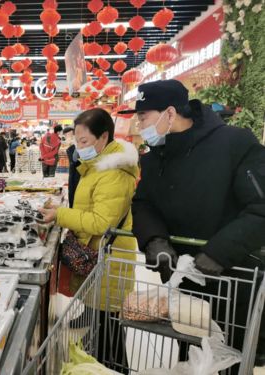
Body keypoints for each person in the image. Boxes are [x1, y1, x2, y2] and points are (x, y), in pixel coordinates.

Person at [121, 79, 265, 369]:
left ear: (170, 114)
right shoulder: (154, 157)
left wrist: (219, 252)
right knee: (189, 355)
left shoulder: (236, 143)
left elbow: (260, 207)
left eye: (143, 116)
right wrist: (154, 239)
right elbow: (143, 203)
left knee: (228, 360)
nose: (139, 125)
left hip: (233, 282)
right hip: (184, 280)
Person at [39, 109, 139, 372]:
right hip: (100, 258)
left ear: (103, 136)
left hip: (109, 260)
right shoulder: (98, 164)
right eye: (76, 140)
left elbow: (100, 222)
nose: (78, 147)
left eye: (84, 142)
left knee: (109, 335)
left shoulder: (114, 171)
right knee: (101, 329)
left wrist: (60, 215)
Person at [62, 127, 80, 208]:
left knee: (75, 195)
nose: (66, 136)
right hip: (74, 172)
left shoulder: (78, 144)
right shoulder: (74, 144)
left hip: (78, 173)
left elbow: (75, 159)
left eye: (67, 134)